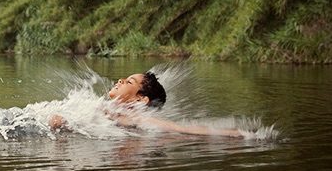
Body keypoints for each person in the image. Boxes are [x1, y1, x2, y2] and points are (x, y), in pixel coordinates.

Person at [50, 71, 244, 138]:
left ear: (139, 99)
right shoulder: (100, 106)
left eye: (129, 82)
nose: (120, 80)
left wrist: (236, 135)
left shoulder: (137, 118)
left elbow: (181, 129)